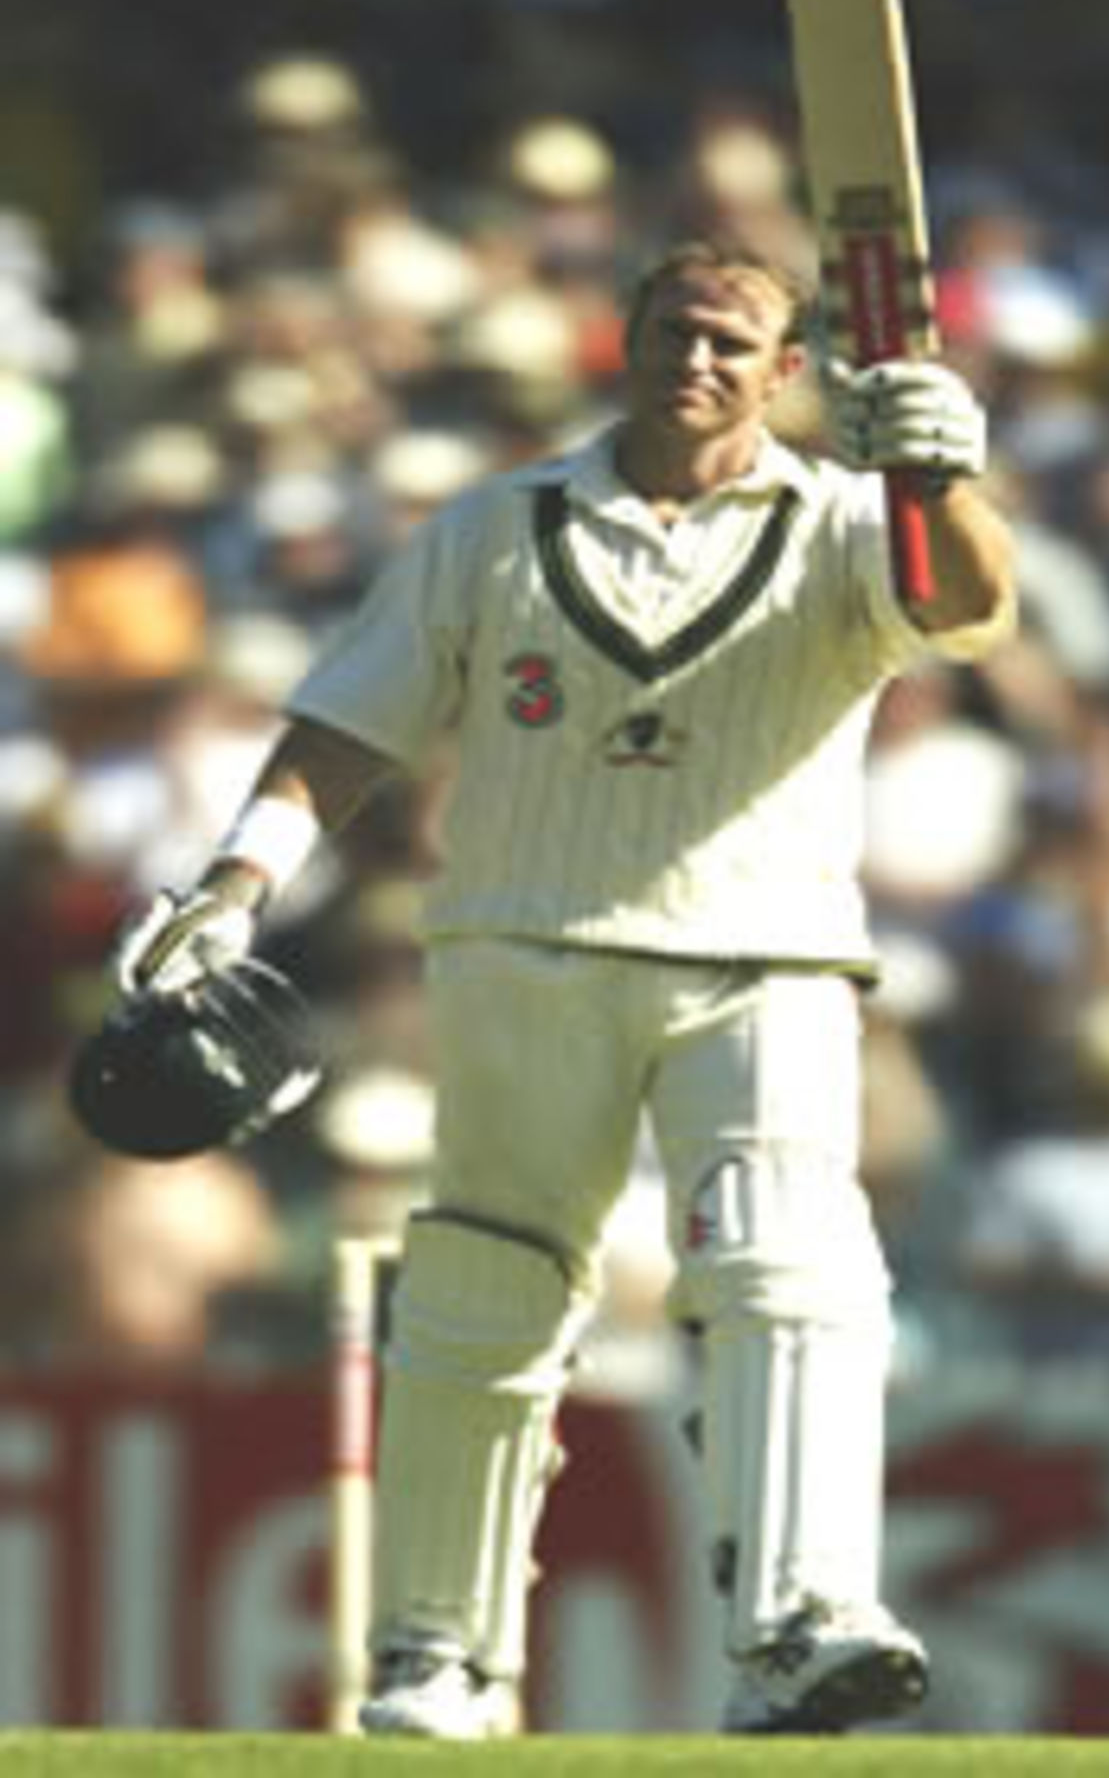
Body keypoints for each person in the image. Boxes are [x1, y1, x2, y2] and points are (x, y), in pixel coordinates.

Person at [112, 239, 1016, 1737]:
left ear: (789, 371)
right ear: (625, 338)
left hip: (768, 951)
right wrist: (236, 881)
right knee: (489, 1288)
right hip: (526, 942)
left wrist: (942, 472)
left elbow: (972, 609)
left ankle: (799, 1620)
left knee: (791, 1268)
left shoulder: (853, 524)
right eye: (676, 330)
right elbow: (350, 725)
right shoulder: (496, 524)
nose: (701, 361)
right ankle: (435, 1657)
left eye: (735, 341)